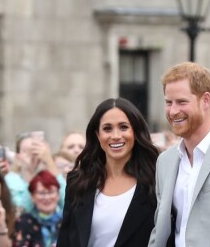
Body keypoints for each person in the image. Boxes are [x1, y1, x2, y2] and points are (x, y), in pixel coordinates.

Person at [57, 98, 159, 247]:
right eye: (107, 128)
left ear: (135, 132)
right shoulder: (78, 183)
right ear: (98, 135)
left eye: (123, 127)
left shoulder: (155, 183)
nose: (116, 135)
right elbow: (65, 241)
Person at [148, 62, 210, 247]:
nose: (173, 111)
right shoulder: (165, 162)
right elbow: (160, 228)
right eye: (168, 102)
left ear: (206, 100)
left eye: (182, 102)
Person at [14, 170, 62, 247]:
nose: (47, 197)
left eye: (51, 192)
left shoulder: (68, 220)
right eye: (41, 193)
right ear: (32, 197)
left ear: (58, 195)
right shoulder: (24, 221)